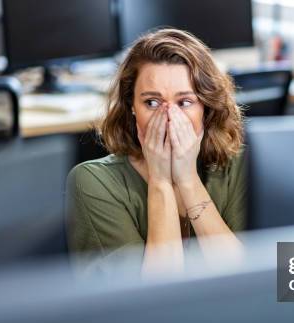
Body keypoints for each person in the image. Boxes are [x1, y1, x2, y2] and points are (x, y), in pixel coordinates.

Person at [66, 28, 247, 276]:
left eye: (185, 102)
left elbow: (252, 278)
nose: (170, 118)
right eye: (152, 102)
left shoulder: (235, 166)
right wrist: (160, 181)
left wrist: (188, 180)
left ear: (205, 107)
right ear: (131, 106)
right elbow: (155, 300)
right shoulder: (92, 183)